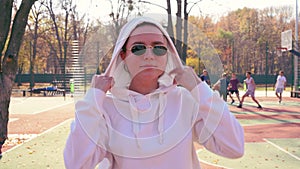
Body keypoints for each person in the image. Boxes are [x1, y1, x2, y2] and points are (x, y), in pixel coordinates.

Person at [63, 17, 244, 169]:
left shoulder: (186, 101)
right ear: (123, 55)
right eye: (138, 48)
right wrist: (93, 99)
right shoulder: (106, 109)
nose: (149, 55)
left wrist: (198, 88)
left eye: (158, 48)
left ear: (168, 54)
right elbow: (76, 164)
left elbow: (234, 147)